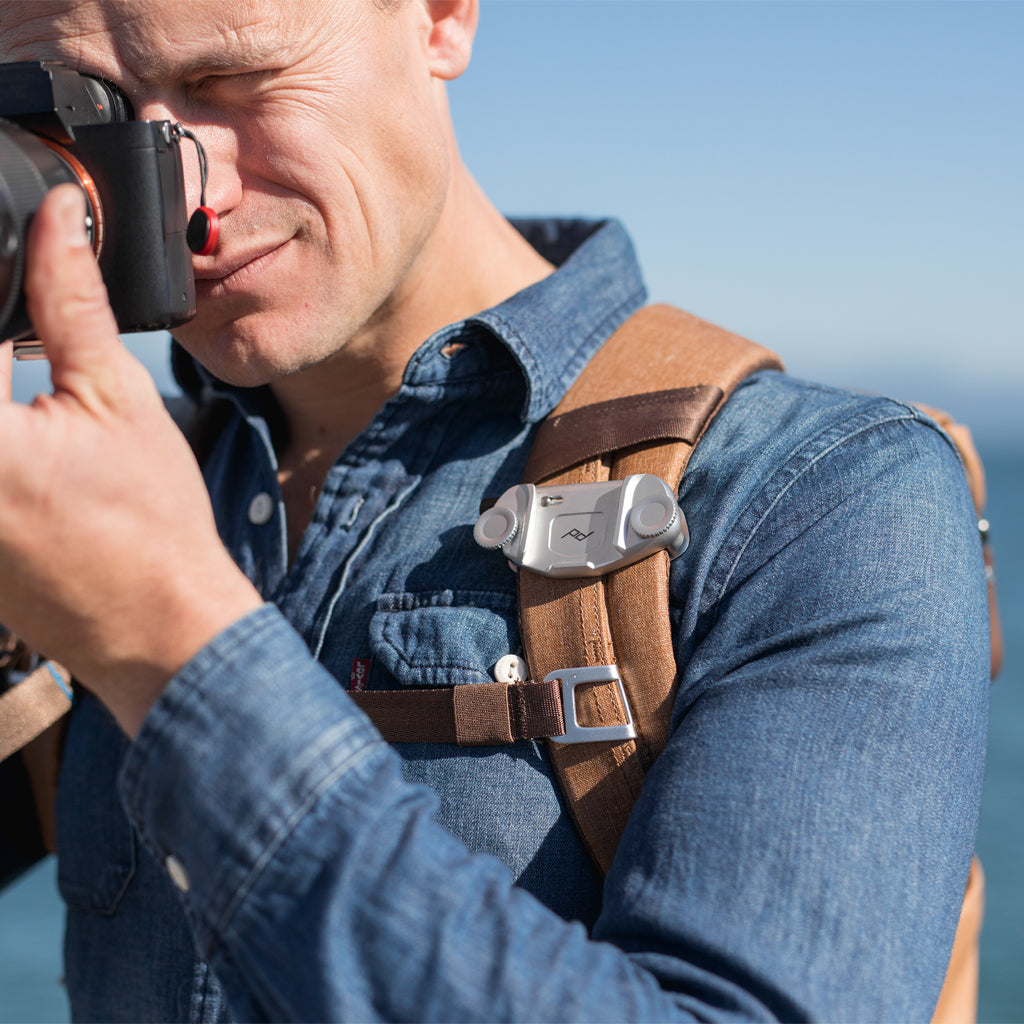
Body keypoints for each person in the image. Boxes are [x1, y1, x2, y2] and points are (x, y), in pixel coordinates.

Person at [0, 1, 988, 1020]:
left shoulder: (819, 497)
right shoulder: (94, 491)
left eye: (229, 82)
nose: (184, 198)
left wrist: (167, 641)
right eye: (83, 117)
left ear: (440, 17)